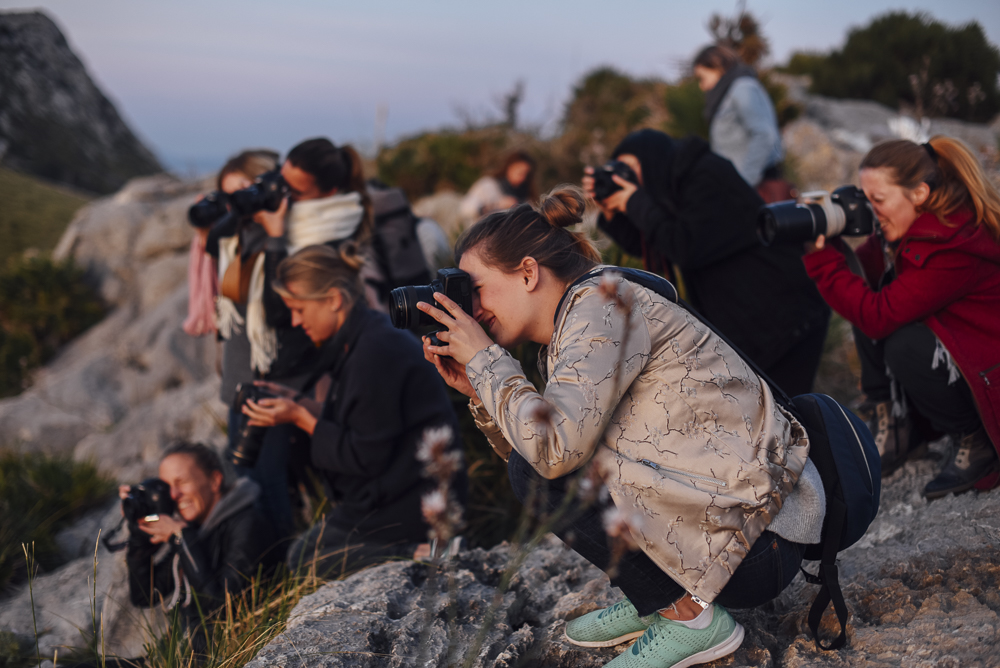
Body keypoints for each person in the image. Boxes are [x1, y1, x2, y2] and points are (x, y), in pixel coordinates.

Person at [419, 186, 825, 668]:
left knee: (541, 472)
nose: (470, 309)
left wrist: (488, 362)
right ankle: (661, 600)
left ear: (528, 272)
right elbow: (532, 451)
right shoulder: (581, 315)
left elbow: (549, 454)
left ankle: (691, 619)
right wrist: (478, 390)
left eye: (475, 290)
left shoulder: (599, 307)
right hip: (739, 526)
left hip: (759, 542)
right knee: (539, 471)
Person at [240, 244, 466, 575]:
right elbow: (367, 422)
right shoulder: (365, 335)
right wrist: (300, 403)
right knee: (307, 548)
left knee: (304, 559)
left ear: (332, 300)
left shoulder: (373, 351)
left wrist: (300, 417)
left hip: (413, 504)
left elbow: (365, 454)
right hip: (398, 492)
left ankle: (419, 553)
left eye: (298, 308)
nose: (294, 320)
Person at [802, 137, 1000, 498]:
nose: (871, 209)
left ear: (920, 193)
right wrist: (845, 229)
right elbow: (871, 287)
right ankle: (896, 426)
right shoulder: (918, 225)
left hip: (989, 381)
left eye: (877, 201)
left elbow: (879, 315)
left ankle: (975, 441)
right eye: (864, 198)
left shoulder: (954, 242)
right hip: (966, 361)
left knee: (904, 344)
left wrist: (820, 259)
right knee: (867, 299)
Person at [585, 129, 830, 397]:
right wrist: (614, 209)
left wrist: (634, 201)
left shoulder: (706, 174)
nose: (627, 176)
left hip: (786, 314)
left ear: (653, 157)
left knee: (795, 419)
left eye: (630, 167)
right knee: (779, 421)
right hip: (758, 322)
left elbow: (684, 245)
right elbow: (651, 243)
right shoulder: (674, 190)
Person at [123, 442, 281, 655]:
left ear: (215, 481)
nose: (174, 496)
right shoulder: (197, 530)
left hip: (220, 654)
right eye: (168, 487)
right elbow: (146, 595)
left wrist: (182, 539)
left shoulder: (249, 524)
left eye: (182, 482)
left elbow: (221, 604)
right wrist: (139, 537)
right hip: (182, 653)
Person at [692, 45, 788, 201]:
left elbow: (764, 135)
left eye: (702, 77)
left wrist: (743, 184)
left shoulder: (742, 88)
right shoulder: (729, 92)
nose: (702, 86)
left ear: (717, 65)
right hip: (743, 187)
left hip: (755, 188)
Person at [459, 150, 537, 226]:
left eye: (526, 174)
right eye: (520, 172)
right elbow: (466, 209)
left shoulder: (526, 197)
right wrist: (496, 205)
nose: (523, 177)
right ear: (509, 167)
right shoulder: (487, 185)